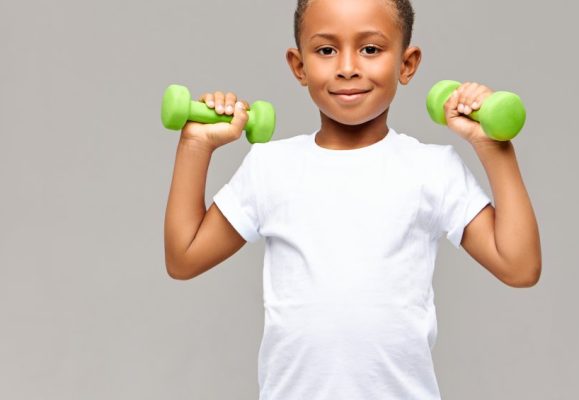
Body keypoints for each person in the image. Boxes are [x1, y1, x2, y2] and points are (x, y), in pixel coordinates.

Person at [163, 0, 541, 398]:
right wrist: (195, 144)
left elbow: (519, 267)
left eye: (371, 49)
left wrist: (492, 145)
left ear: (407, 63)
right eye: (326, 50)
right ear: (299, 66)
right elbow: (184, 258)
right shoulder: (270, 166)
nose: (347, 66)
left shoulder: (432, 169)